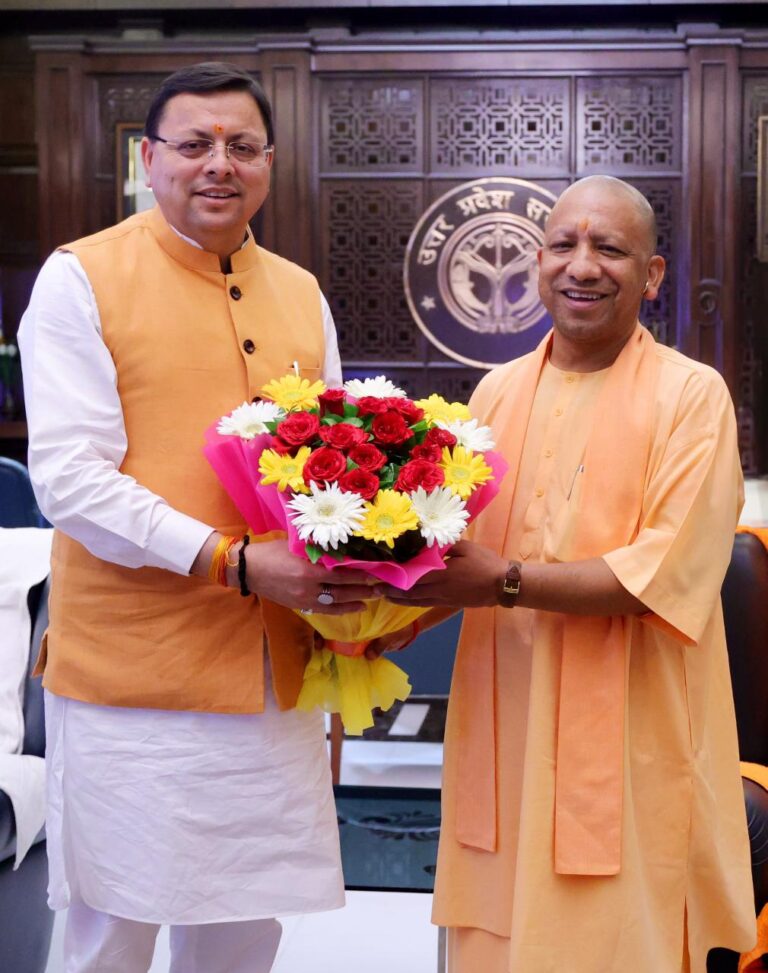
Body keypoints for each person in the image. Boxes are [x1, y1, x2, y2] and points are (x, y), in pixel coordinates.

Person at [18, 62, 374, 973]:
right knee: (112, 928)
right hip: (134, 676)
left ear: (269, 163)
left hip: (270, 670)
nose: (220, 164)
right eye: (194, 144)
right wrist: (235, 561)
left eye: (242, 146)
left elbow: (334, 466)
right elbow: (71, 481)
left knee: (244, 929)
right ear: (149, 158)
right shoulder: (80, 279)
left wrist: (366, 590)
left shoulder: (299, 290)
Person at [369, 176, 756, 972]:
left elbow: (660, 574)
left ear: (650, 275)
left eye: (610, 248)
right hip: (503, 726)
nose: (583, 265)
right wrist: (381, 616)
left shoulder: (693, 396)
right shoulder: (497, 389)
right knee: (499, 935)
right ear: (537, 259)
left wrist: (502, 582)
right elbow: (460, 553)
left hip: (627, 736)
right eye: (565, 244)